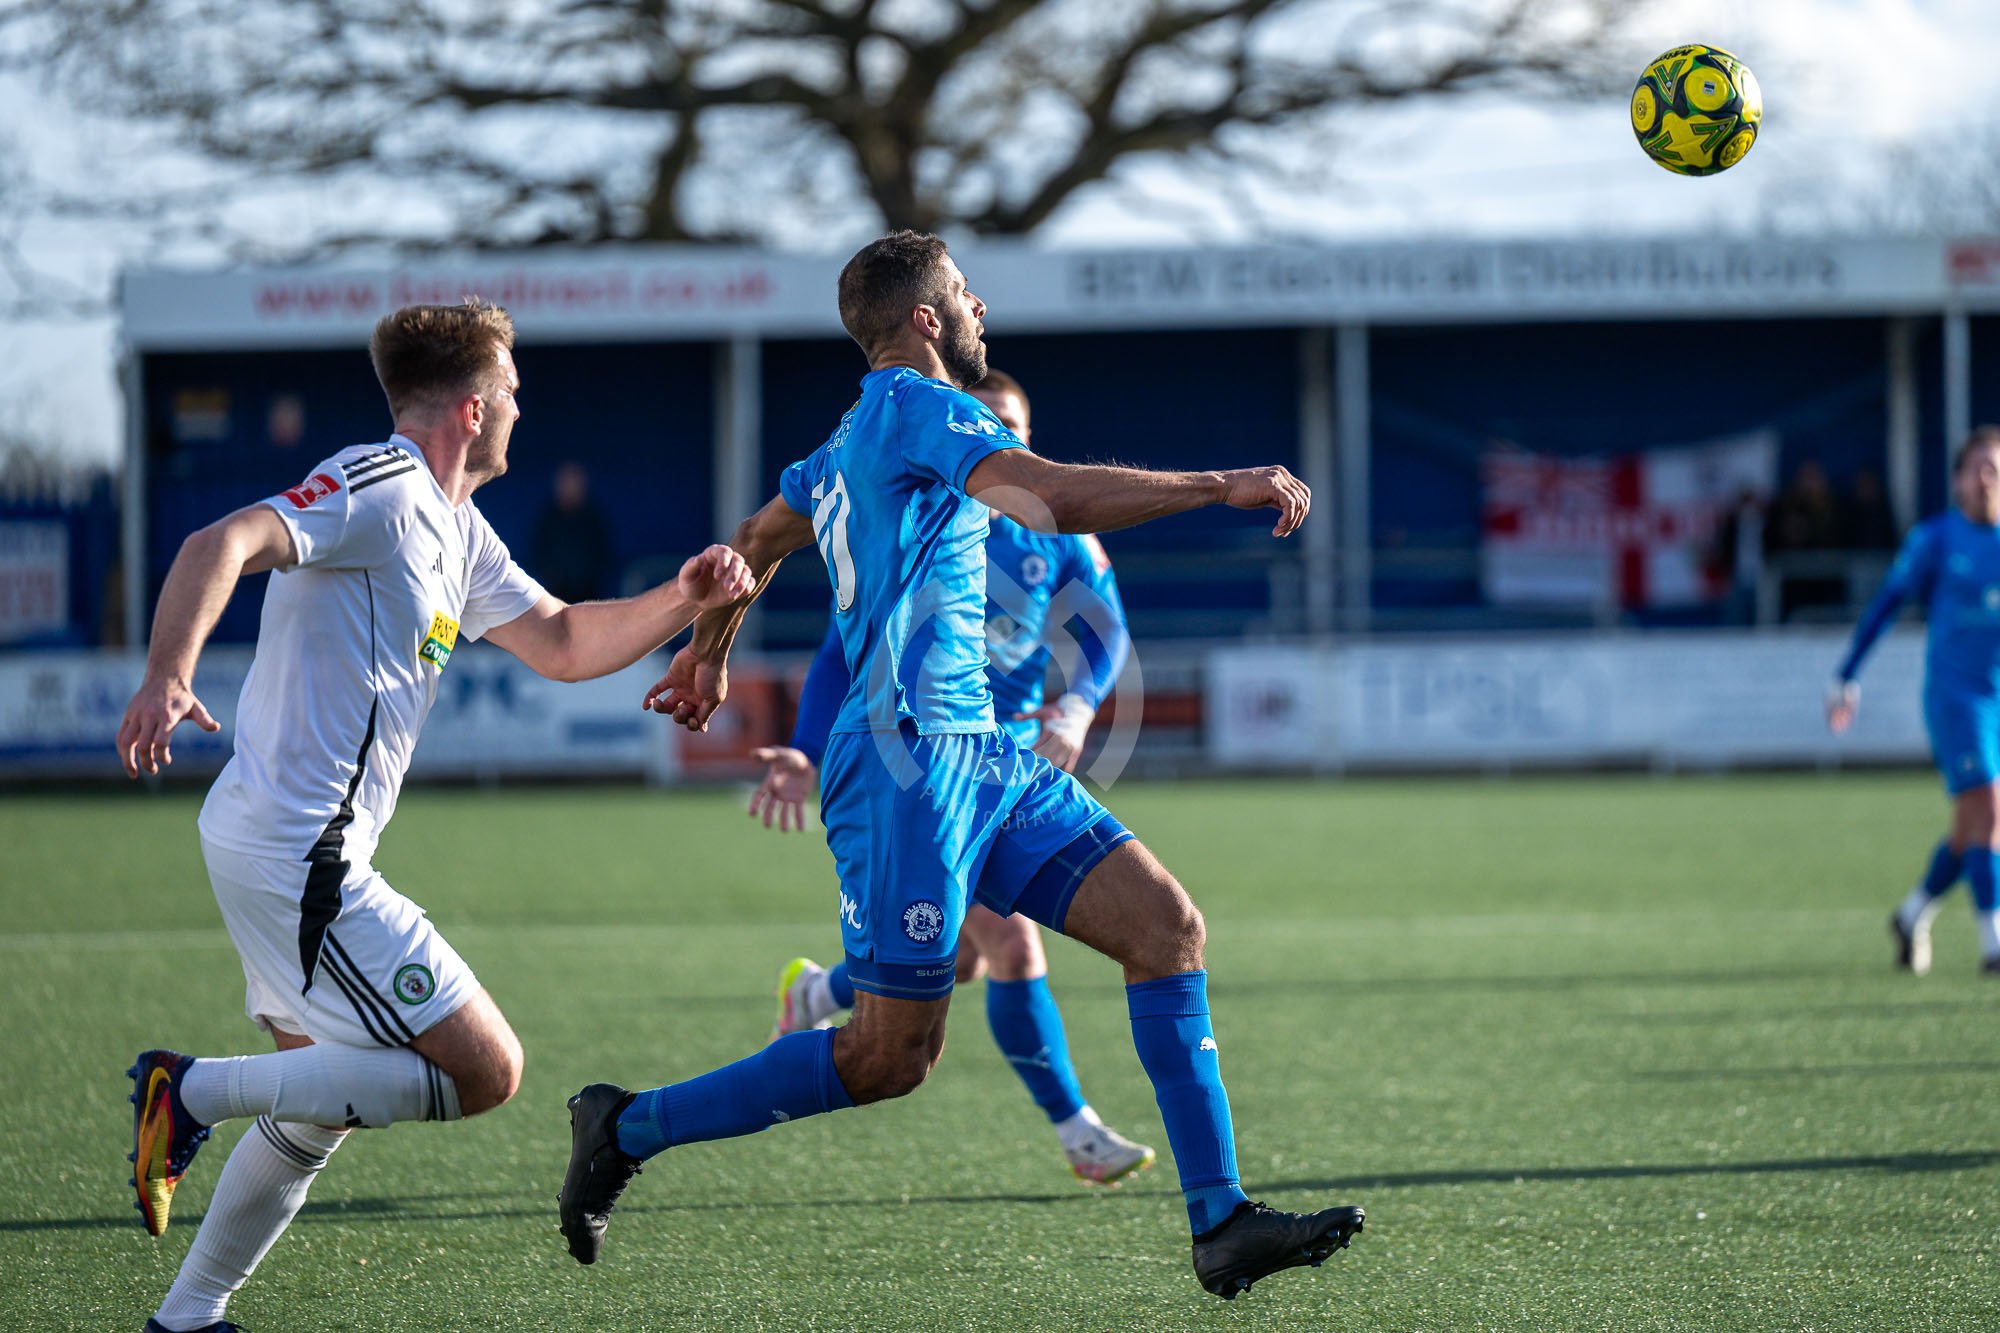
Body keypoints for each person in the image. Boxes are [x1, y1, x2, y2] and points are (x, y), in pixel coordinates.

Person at [558, 232, 1362, 1300]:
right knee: (890, 1057)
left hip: (980, 754)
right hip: (903, 769)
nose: (982, 307)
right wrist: (1223, 482)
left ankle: (1220, 1221)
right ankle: (624, 1124)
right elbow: (1049, 498)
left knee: (1165, 926)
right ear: (927, 321)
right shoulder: (921, 405)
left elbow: (753, 538)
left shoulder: (849, 437)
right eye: (966, 296)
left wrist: (705, 657)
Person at [116, 299, 752, 1333]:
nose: (517, 407)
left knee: (320, 1104)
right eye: (508, 391)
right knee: (485, 1071)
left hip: (278, 841)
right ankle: (184, 1093)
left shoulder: (457, 526)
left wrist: (684, 595)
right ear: (468, 407)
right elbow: (218, 539)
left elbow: (561, 639)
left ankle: (188, 1315)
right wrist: (164, 676)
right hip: (299, 850)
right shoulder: (380, 483)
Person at [754, 367, 1153, 1186]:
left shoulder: (1057, 532)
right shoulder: (923, 525)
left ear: (1027, 443)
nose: (997, 441)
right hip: (928, 766)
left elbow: (1106, 626)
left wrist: (1076, 706)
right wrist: (801, 746)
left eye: (1012, 429)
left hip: (1011, 766)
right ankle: (1079, 1130)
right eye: (984, 426)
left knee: (961, 959)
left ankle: (818, 993)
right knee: (1009, 945)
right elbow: (840, 653)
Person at [1829, 425, 2000, 977]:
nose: (1985, 478)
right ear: (1955, 479)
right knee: (1992, 812)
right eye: (1976, 467)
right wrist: (1846, 676)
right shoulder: (1936, 539)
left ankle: (1910, 914)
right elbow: (1886, 604)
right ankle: (1994, 944)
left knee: (1969, 829)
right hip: (1957, 699)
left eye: (1995, 467)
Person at [532, 460, 617, 603]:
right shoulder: (547, 520)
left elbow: (603, 554)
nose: (571, 488)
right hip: (556, 596)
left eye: (575, 483)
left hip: (589, 595)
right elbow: (538, 553)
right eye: (566, 483)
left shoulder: (593, 520)